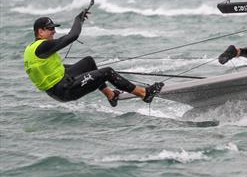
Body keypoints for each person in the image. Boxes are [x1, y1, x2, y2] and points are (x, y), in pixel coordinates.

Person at [24, 11, 162, 106]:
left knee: (88, 62)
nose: (53, 31)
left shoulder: (32, 48)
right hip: (64, 90)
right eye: (50, 29)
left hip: (61, 83)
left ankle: (110, 95)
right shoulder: (42, 46)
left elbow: (48, 70)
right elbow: (72, 36)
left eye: (53, 28)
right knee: (107, 72)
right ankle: (144, 94)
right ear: (40, 31)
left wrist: (84, 72)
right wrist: (78, 20)